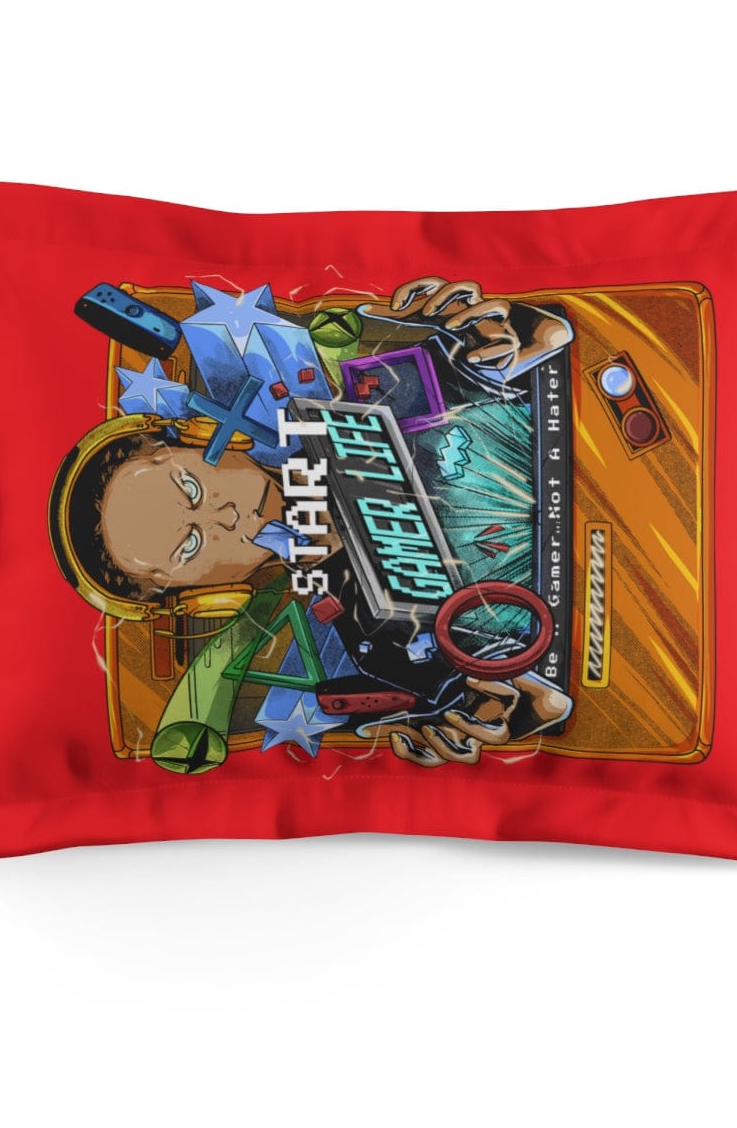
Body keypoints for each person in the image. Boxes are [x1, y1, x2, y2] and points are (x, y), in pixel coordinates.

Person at [54, 277, 575, 766]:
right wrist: (490, 711)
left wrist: (495, 331)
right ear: (207, 596)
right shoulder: (377, 645)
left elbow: (548, 340)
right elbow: (544, 701)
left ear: (200, 439)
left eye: (191, 489)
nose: (224, 516)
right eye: (190, 545)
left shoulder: (374, 395)